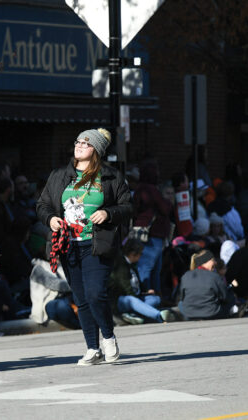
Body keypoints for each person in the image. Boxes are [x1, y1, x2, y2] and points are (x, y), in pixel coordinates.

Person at [36, 128, 131, 366]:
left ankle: (108, 337)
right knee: (81, 299)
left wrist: (107, 213)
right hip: (67, 245)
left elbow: (128, 207)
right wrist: (50, 219)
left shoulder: (110, 177)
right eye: (78, 141)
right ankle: (92, 348)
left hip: (97, 244)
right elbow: (43, 205)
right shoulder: (59, 175)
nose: (79, 146)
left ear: (96, 150)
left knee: (95, 293)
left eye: (86, 144)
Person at [108, 238, 173, 324]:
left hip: (135, 297)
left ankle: (132, 314)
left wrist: (145, 291)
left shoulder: (133, 265)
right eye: (140, 254)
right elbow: (126, 287)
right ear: (132, 254)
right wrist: (138, 300)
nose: (141, 256)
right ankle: (159, 315)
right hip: (120, 300)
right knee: (131, 300)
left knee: (155, 299)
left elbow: (138, 285)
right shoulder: (121, 265)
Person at [132, 160, 172, 296]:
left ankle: (155, 295)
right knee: (149, 267)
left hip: (147, 233)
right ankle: (149, 295)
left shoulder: (139, 189)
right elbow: (164, 208)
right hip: (153, 234)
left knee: (153, 268)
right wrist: (168, 202)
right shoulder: (150, 190)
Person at [178, 249, 235, 320]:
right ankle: (234, 312)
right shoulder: (215, 276)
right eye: (213, 260)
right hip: (212, 313)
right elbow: (225, 297)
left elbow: (182, 297)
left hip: (189, 314)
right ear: (206, 261)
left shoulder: (185, 276)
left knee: (180, 304)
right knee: (231, 296)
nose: (215, 263)